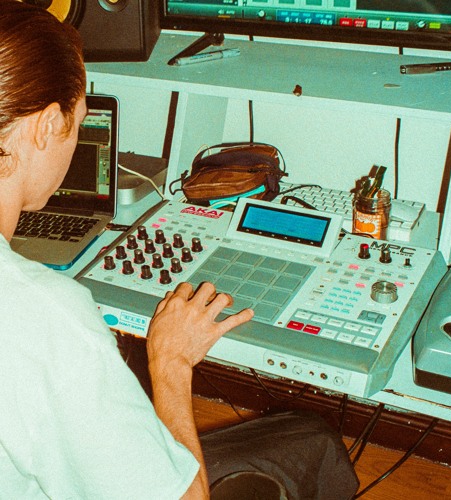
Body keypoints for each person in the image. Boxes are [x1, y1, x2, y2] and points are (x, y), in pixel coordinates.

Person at [0, 2, 359, 498]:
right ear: (44, 126)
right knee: (313, 442)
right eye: (78, 121)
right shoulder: (50, 321)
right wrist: (170, 363)